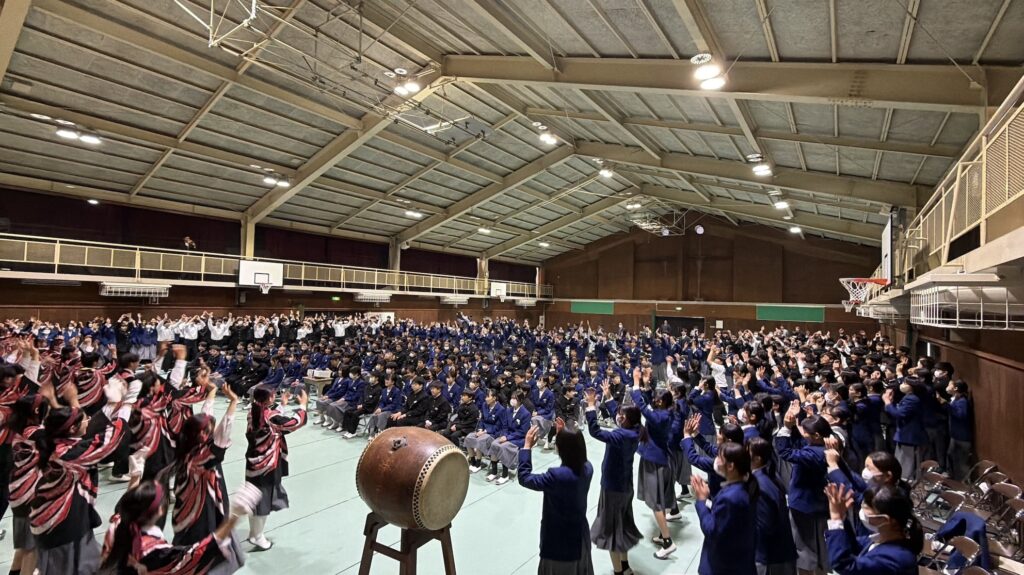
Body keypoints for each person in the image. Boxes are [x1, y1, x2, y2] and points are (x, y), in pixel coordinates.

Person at [98, 480, 260, 575]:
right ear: (159, 511)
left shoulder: (117, 523)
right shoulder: (150, 550)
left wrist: (136, 476)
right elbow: (194, 555)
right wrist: (234, 517)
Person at [170, 383, 245, 573]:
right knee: (203, 533)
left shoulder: (188, 445)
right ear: (203, 435)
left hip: (191, 499)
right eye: (209, 429)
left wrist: (212, 392)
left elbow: (206, 417)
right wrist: (233, 401)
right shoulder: (202, 458)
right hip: (201, 503)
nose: (212, 430)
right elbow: (223, 432)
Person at [518, 421, 594, 575]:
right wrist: (565, 437)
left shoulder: (556, 476)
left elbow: (525, 478)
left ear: (560, 448)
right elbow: (573, 457)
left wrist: (526, 447)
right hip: (580, 537)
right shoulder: (588, 468)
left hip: (558, 543)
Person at [584, 388, 642, 575]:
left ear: (625, 419)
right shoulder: (635, 430)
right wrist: (608, 397)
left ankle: (618, 571)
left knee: (611, 531)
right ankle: (625, 566)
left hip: (613, 487)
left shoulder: (620, 436)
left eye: (621, 415)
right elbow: (618, 415)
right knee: (622, 527)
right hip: (625, 485)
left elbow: (595, 431)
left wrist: (591, 406)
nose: (618, 416)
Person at [244, 386, 307, 551]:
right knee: (263, 501)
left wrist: (282, 405)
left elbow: (274, 419)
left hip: (253, 462)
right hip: (267, 464)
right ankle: (258, 537)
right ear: (269, 399)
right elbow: (293, 423)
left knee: (253, 499)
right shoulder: (270, 417)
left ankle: (253, 533)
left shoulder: (253, 412)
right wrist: (303, 406)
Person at [775, 402, 832, 575]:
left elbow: (785, 452)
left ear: (816, 435)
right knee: (817, 546)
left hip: (805, 506)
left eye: (805, 431)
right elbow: (801, 442)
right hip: (816, 503)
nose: (802, 432)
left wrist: (786, 428)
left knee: (804, 548)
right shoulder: (820, 447)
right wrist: (793, 424)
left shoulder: (815, 454)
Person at [629, 369, 677, 560]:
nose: (654, 399)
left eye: (657, 398)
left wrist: (636, 383)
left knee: (655, 502)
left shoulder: (659, 417)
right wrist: (647, 384)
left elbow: (642, 406)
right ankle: (663, 535)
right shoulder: (666, 412)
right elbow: (648, 401)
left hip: (654, 461)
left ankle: (668, 542)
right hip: (661, 458)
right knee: (660, 499)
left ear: (661, 402)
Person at [690, 442, 759, 575]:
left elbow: (712, 530)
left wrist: (701, 501)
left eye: (720, 458)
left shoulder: (731, 497)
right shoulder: (745, 485)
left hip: (725, 564)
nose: (716, 460)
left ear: (731, 466)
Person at [823, 483, 921, 575]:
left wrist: (836, 518)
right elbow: (854, 546)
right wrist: (842, 517)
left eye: (868, 515)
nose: (863, 515)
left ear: (885, 520)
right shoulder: (883, 538)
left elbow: (845, 565)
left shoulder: (898, 558)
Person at [748, 437, 798, 575]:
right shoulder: (771, 476)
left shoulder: (759, 486)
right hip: (781, 553)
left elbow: (764, 527)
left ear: (757, 459)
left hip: (770, 559)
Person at [883, 378, 926, 481]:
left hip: (909, 435)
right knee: (900, 462)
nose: (902, 384)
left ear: (912, 386)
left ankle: (907, 484)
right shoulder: (908, 397)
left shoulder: (912, 399)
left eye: (905, 383)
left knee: (906, 465)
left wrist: (887, 402)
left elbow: (899, 414)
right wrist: (890, 403)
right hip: (904, 434)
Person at [486, 390, 530, 485]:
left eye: (515, 398)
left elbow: (522, 432)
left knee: (503, 447)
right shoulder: (508, 410)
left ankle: (505, 475)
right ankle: (494, 472)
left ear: (520, 400)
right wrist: (504, 435)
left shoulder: (526, 414)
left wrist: (508, 438)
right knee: (494, 444)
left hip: (518, 439)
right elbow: (504, 426)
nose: (512, 400)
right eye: (512, 398)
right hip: (506, 435)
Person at [465, 389, 505, 473]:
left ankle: (478, 464)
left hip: (493, 433)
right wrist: (480, 429)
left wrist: (485, 432)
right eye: (485, 397)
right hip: (482, 430)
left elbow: (498, 427)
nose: (486, 399)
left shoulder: (501, 409)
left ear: (494, 398)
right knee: (468, 438)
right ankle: (473, 461)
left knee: (480, 440)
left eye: (488, 397)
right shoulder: (484, 405)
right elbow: (482, 420)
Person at [944, 379, 972, 480]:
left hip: (962, 438)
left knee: (962, 464)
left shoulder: (962, 401)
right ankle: (951, 479)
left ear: (956, 388)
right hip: (955, 435)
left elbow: (961, 415)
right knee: (951, 457)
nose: (949, 386)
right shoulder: (956, 399)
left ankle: (963, 484)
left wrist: (947, 405)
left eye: (951, 385)